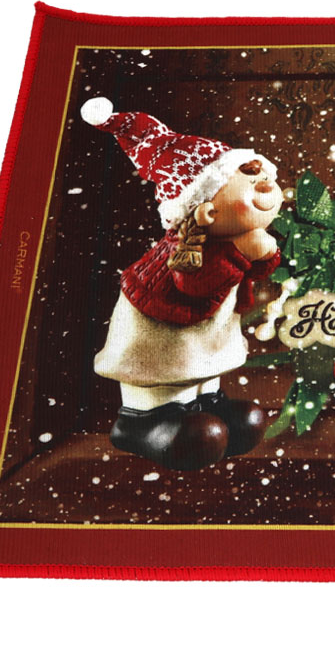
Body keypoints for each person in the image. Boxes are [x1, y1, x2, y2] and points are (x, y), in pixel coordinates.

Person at [83, 97, 283, 470]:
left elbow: (251, 274)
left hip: (202, 328)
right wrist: (243, 253)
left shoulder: (233, 239)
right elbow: (195, 285)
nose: (267, 189)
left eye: (265, 181)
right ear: (205, 209)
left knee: (202, 370)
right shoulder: (185, 247)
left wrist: (263, 255)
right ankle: (142, 420)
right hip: (162, 332)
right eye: (251, 185)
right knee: (167, 374)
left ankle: (206, 402)